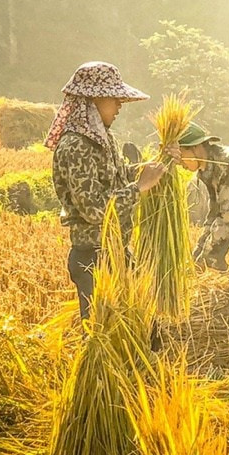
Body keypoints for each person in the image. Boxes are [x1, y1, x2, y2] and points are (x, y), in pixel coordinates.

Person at [47, 62, 169, 321]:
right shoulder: (76, 146)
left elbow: (117, 177)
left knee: (145, 327)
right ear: (92, 100)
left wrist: (158, 165)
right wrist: (138, 188)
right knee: (107, 338)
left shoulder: (103, 139)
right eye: (115, 99)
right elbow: (94, 209)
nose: (120, 105)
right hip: (95, 257)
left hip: (117, 252)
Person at [174, 122, 229, 271]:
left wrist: (205, 262)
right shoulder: (208, 171)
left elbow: (227, 219)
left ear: (195, 147)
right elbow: (214, 216)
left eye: (181, 156)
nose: (179, 163)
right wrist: (196, 257)